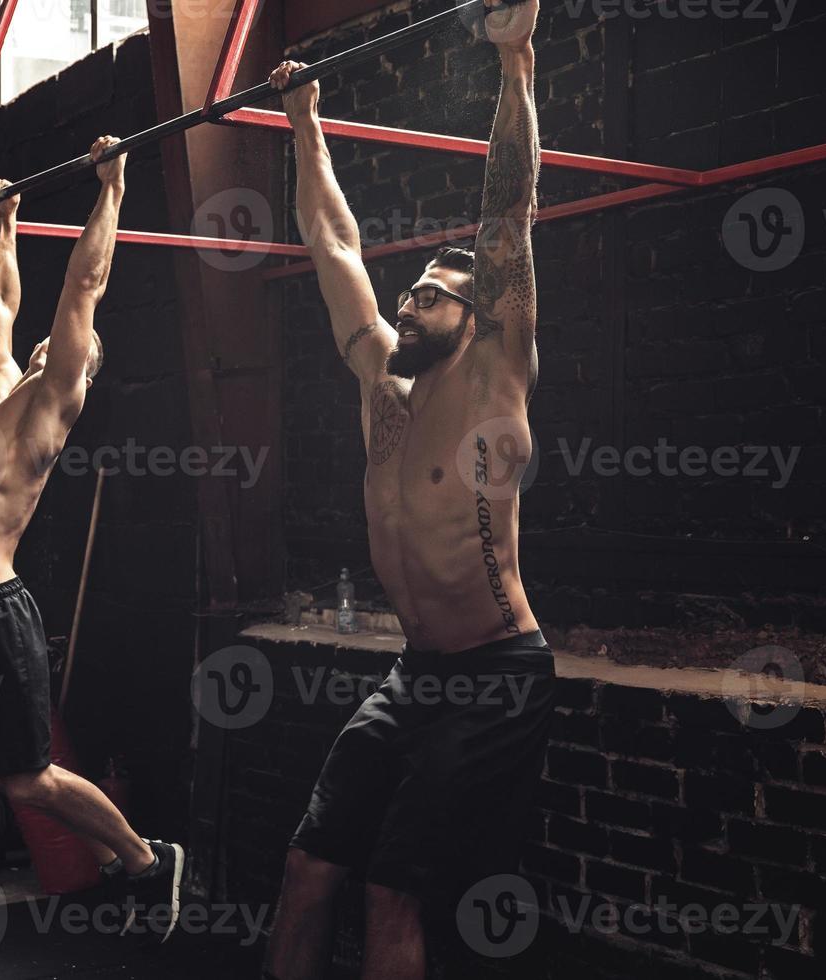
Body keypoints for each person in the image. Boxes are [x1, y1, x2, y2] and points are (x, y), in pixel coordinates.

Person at [263, 3, 555, 977]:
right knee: (310, 863)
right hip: (416, 673)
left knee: (393, 885)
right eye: (412, 289)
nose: (406, 301)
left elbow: (508, 209)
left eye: (431, 293)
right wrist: (305, 120)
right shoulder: (380, 386)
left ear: (477, 318)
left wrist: (513, 59)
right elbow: (333, 245)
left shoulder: (493, 378)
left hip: (498, 677)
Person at [0, 137, 182, 941]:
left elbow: (86, 284)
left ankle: (146, 859)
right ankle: (136, 859)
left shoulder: (51, 407)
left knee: (29, 777)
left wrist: (112, 186)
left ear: (81, 367)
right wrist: (5, 221)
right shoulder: (2, 383)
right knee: (0, 778)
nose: (61, 344)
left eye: (75, 349)